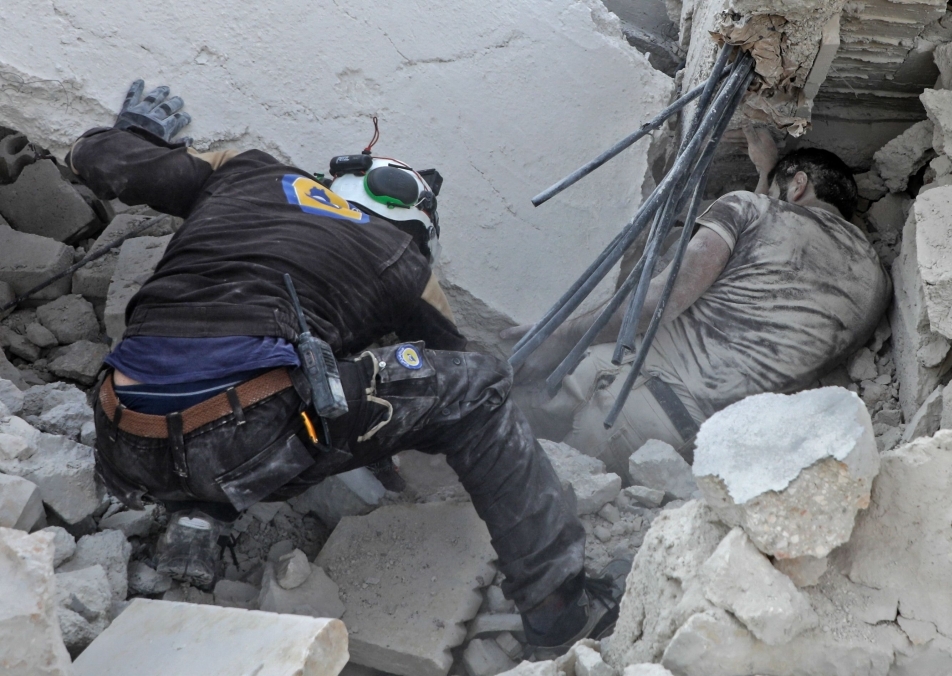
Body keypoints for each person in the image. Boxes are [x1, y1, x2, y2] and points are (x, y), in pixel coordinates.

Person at [73, 80, 625, 653]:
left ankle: (195, 515)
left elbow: (95, 158)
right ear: (419, 229)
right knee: (477, 388)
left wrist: (135, 131)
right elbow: (465, 373)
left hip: (119, 434)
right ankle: (559, 609)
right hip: (246, 440)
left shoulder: (249, 171)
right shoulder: (402, 258)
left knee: (266, 373)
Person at [508, 124, 892, 476]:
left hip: (623, 393)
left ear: (798, 185)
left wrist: (558, 336)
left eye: (775, 188)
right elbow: (769, 251)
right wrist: (768, 175)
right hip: (687, 444)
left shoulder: (750, 208)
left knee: (483, 441)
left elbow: (657, 303)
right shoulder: (877, 284)